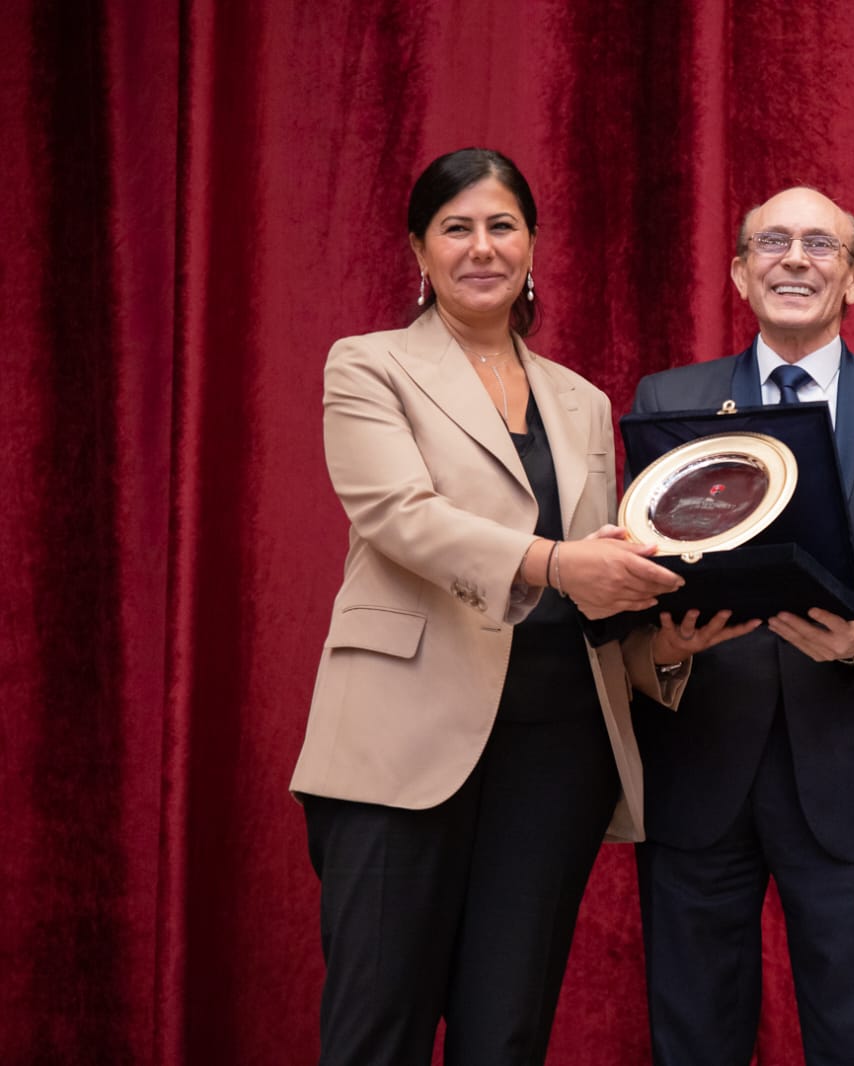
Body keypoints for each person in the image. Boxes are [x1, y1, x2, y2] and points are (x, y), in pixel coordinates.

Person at [290, 147, 749, 1066]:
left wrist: (662, 644)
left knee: (504, 1035)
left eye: (501, 226)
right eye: (455, 228)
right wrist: (558, 562)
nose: (481, 247)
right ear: (418, 250)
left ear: (533, 245)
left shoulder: (581, 401)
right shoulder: (368, 366)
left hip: (558, 754)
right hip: (402, 741)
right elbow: (401, 516)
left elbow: (596, 587)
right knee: (376, 1028)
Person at [626, 186, 854, 1065]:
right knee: (692, 1041)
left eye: (820, 245)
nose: (795, 258)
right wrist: (662, 647)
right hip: (696, 770)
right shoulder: (668, 398)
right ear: (739, 273)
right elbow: (628, 567)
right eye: (773, 242)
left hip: (852, 779)